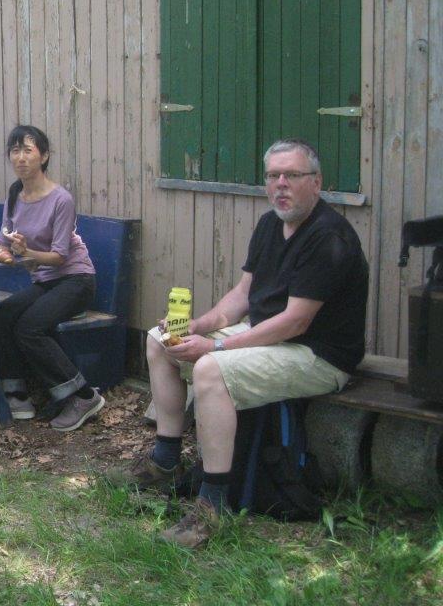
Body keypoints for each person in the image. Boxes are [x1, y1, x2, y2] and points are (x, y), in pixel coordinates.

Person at [120, 138, 368, 548]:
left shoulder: (329, 237)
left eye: (293, 175)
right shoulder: (271, 224)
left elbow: (295, 321)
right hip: (272, 337)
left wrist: (214, 349)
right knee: (158, 340)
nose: (281, 185)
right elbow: (241, 297)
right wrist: (198, 325)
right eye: (273, 176)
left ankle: (211, 508)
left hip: (318, 354)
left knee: (209, 369)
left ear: (317, 182)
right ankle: (164, 463)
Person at [0, 125, 103, 432]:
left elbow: (60, 256)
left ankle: (83, 395)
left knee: (29, 327)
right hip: (46, 281)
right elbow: (4, 243)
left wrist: (28, 253)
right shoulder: (15, 194)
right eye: (15, 151)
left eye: (28, 150)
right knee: (3, 313)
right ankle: (16, 393)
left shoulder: (61, 199)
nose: (20, 158)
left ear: (44, 156)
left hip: (76, 280)